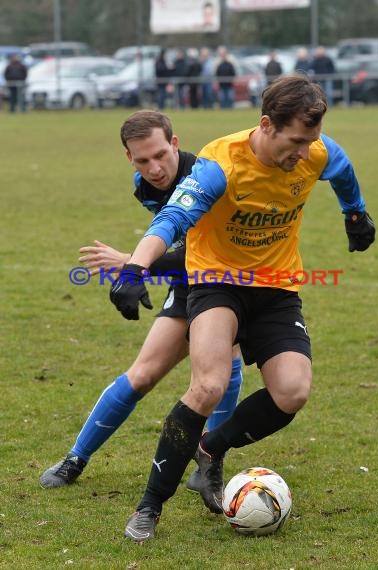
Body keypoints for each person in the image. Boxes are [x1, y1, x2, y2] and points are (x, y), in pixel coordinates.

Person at [109, 74, 376, 543]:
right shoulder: (220, 163)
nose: (302, 152)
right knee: (208, 384)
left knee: (292, 392)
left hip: (276, 289)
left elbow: (341, 165)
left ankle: (211, 449)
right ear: (267, 124)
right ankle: (150, 506)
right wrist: (133, 269)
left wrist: (354, 212)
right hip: (216, 282)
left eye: (309, 141)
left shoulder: (314, 149)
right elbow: (172, 219)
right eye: (294, 141)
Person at [39, 110, 243, 489]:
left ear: (175, 143)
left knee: (224, 363)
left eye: (160, 155)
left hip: (228, 282)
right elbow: (181, 246)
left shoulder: (206, 179)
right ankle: (75, 459)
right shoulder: (144, 186)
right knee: (143, 374)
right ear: (128, 157)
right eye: (142, 160)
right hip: (190, 282)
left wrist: (133, 264)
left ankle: (210, 464)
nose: (154, 168)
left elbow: (206, 255)